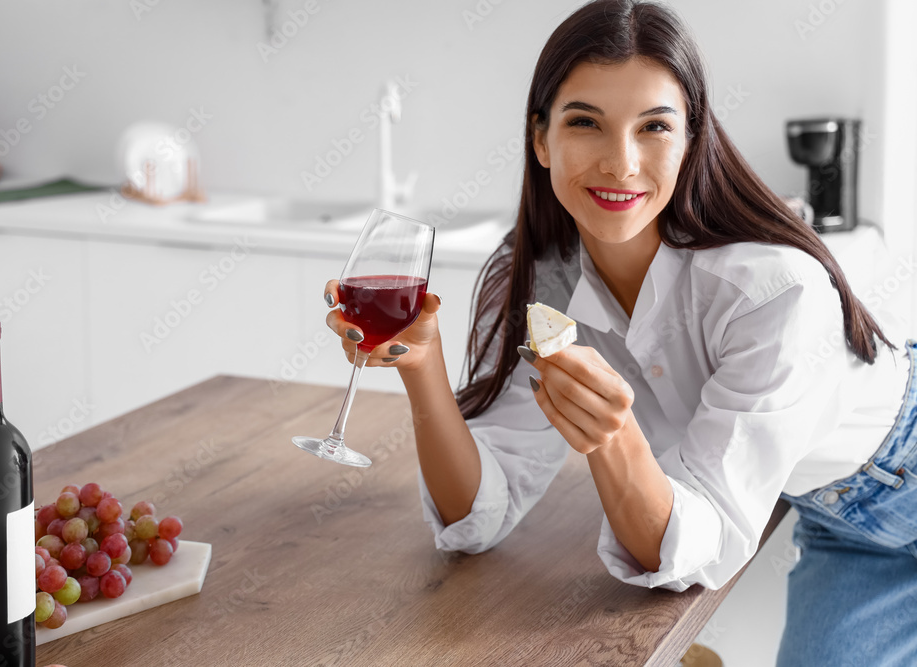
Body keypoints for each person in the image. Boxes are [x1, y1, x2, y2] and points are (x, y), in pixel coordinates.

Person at [322, 0, 917, 664]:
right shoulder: (541, 281)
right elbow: (477, 515)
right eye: (585, 123)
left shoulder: (772, 291)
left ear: (691, 139)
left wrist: (613, 437)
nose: (621, 162)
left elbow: (703, 542)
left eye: (654, 126)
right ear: (541, 138)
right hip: (837, 516)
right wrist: (422, 367)